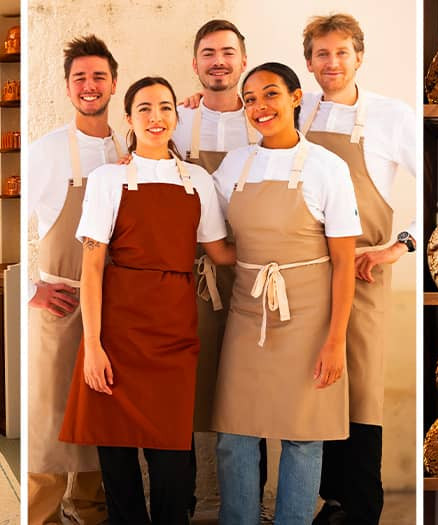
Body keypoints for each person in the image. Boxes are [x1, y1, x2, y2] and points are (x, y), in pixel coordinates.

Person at [59, 76, 234, 524]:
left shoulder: (198, 179)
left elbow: (220, 252)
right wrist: (93, 346)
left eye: (165, 108)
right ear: (129, 118)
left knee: (174, 461)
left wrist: (296, 258)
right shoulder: (108, 178)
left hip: (174, 329)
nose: (156, 118)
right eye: (145, 109)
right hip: (116, 332)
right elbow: (92, 268)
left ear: (177, 116)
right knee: (117, 461)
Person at [211, 62, 359, 524]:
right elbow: (209, 231)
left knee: (302, 434)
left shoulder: (327, 167)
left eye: (270, 94)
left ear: (297, 98)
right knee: (234, 435)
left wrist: (335, 341)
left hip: (309, 316)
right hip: (247, 311)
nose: (259, 107)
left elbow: (343, 264)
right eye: (250, 99)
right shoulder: (235, 164)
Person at [299, 14, 417, 525]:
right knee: (311, 384)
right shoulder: (294, 111)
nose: (332, 63)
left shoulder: (392, 116)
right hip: (303, 272)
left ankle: (362, 505)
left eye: (342, 52)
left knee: (361, 387)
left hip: (364, 268)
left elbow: (436, 184)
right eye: (322, 54)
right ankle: (330, 502)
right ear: (308, 62)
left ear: (360, 57)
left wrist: (400, 246)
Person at [170, 18, 267, 517]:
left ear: (243, 61)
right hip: (189, 274)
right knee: (183, 393)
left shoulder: (268, 120)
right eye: (208, 53)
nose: (218, 62)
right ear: (195, 65)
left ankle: (246, 507)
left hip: (253, 269)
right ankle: (181, 504)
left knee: (249, 392)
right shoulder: (176, 121)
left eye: (228, 52)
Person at [26, 34, 123, 525]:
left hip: (116, 310)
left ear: (113, 84)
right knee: (48, 423)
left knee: (100, 421)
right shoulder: (44, 152)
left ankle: (90, 511)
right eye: (80, 78)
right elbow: (3, 222)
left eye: (98, 76)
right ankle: (39, 515)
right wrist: (32, 290)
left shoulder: (132, 149)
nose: (90, 86)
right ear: (67, 88)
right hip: (63, 306)